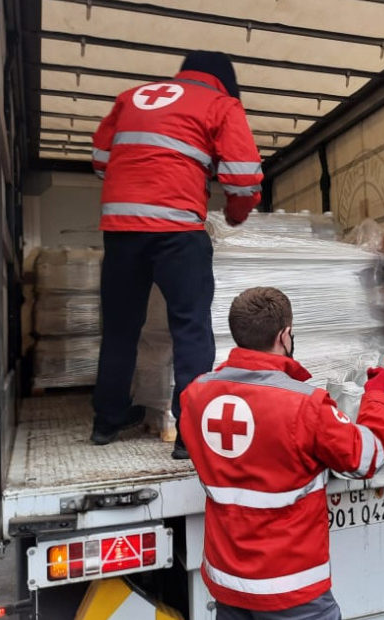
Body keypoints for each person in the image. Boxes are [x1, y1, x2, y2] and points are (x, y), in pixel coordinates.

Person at [179, 287, 384, 619]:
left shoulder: (195, 396)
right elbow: (367, 458)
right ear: (284, 335)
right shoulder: (304, 404)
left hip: (228, 582)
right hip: (292, 588)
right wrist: (376, 397)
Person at [90, 50, 263, 459]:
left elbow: (100, 161)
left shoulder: (130, 98)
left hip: (121, 230)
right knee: (190, 328)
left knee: (118, 329)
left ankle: (106, 422)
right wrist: (235, 216)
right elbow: (242, 176)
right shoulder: (221, 104)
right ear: (225, 81)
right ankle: (189, 434)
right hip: (178, 231)